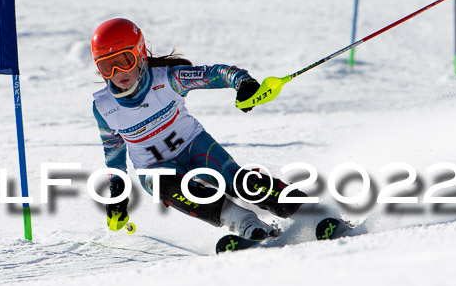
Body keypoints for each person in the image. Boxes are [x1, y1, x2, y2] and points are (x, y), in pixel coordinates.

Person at [91, 18, 306, 240]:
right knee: (163, 184)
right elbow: (113, 150)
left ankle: (309, 212)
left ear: (140, 53)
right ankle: (246, 223)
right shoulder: (104, 107)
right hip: (154, 168)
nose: (118, 73)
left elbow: (214, 73)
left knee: (239, 182)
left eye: (125, 61)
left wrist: (243, 82)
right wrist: (117, 191)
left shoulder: (169, 79)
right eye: (108, 66)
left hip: (194, 146)